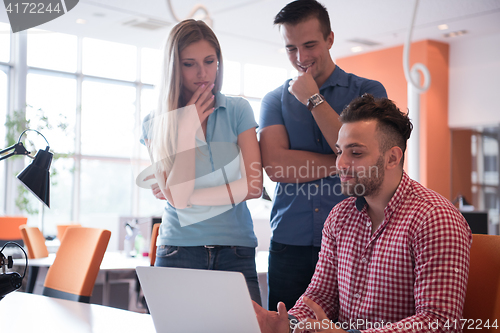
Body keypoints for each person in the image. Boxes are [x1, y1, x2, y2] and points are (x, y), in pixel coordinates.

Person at [253, 94, 472, 333]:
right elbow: (320, 296)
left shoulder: (435, 218)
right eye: (339, 152)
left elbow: (439, 322)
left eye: (355, 153)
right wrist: (289, 323)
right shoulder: (340, 216)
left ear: (392, 158)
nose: (341, 164)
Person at [259, 0, 387, 310]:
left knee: (349, 327)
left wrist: (313, 100)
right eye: (291, 48)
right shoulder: (274, 100)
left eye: (309, 45)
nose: (301, 58)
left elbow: (373, 162)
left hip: (354, 241)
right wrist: (347, 162)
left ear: (330, 39)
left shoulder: (368, 92)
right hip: (290, 242)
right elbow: (277, 168)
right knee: (287, 326)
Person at [140, 19, 263, 304]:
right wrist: (186, 128)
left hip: (236, 251)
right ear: (174, 67)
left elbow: (254, 185)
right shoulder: (154, 123)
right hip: (177, 251)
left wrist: (189, 194)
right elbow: (178, 200)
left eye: (210, 61)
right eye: (189, 64)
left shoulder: (238, 110)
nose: (202, 73)